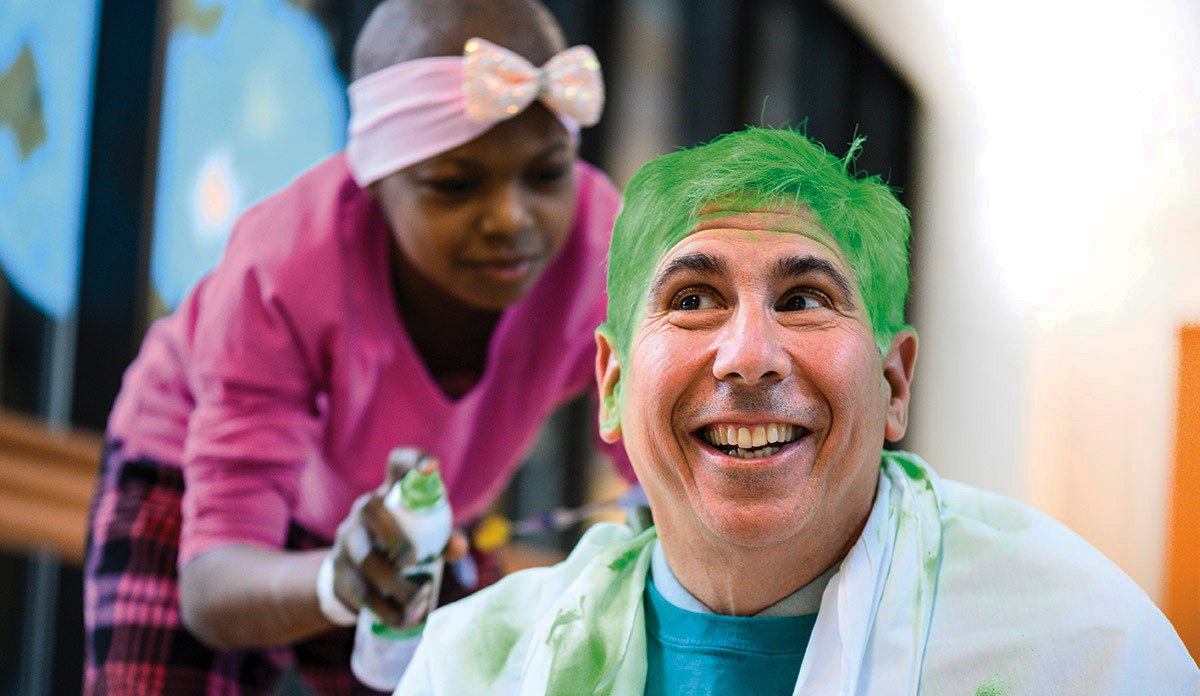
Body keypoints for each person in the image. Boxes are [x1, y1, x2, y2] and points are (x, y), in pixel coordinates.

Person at [395, 127, 1200, 695]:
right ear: (610, 383)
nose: (750, 354)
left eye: (806, 298)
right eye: (694, 298)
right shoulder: (472, 667)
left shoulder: (1083, 653)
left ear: (894, 385)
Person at [82, 0, 633, 693]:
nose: (511, 218)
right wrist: (337, 580)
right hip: (195, 491)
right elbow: (212, 585)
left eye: (547, 174)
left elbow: (648, 457)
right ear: (374, 179)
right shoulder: (282, 266)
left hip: (407, 522)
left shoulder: (600, 247)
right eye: (455, 184)